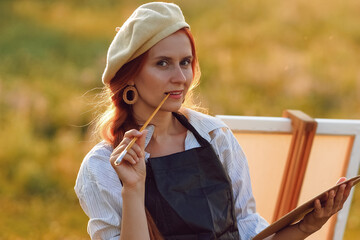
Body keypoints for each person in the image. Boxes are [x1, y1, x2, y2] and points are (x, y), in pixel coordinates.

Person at [74, 2, 352, 240]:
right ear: (130, 75)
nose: (181, 78)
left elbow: (247, 231)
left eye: (185, 62)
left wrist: (306, 227)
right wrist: (133, 190)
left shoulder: (215, 137)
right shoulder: (102, 168)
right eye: (163, 63)